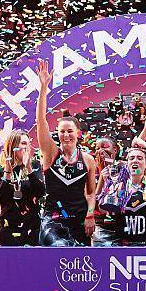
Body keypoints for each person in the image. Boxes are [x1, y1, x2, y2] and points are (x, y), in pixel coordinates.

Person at [35, 60, 97, 246]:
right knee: (59, 250)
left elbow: (91, 193)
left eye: (70, 131)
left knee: (79, 265)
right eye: (62, 131)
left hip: (79, 219)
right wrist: (43, 88)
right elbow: (41, 122)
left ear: (78, 133)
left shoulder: (87, 159)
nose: (66, 134)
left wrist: (90, 214)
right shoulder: (51, 153)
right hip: (53, 218)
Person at [0, 130, 44, 246]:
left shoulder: (35, 165)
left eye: (28, 143)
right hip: (9, 228)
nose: (26, 147)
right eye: (23, 143)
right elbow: (0, 199)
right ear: (13, 146)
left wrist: (28, 168)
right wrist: (7, 172)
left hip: (32, 227)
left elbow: (41, 192)